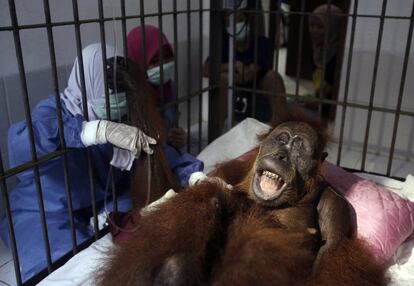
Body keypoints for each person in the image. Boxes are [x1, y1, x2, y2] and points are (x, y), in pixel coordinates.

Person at [0, 42, 200, 282]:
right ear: (89, 85)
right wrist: (90, 131)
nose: (117, 104)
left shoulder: (122, 116)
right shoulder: (53, 113)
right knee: (63, 269)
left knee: (144, 233)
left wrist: (193, 174)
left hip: (103, 198)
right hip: (45, 208)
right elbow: (20, 147)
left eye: (121, 96)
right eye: (110, 94)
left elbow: (162, 154)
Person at [203, 0, 287, 140]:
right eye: (231, 21)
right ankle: (216, 134)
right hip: (232, 85)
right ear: (225, 25)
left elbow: (248, 75)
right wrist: (233, 64)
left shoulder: (261, 43)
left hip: (256, 85)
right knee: (223, 78)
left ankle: (281, 131)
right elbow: (205, 70)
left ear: (247, 21)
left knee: (273, 77)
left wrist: (233, 71)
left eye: (240, 20)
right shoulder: (223, 44)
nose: (236, 25)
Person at [127, 25, 186, 150]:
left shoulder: (170, 87)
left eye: (167, 56)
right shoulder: (127, 98)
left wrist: (177, 138)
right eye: (154, 60)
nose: (163, 65)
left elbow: (172, 127)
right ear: (138, 61)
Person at [308, 4, 343, 121]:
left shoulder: (339, 58)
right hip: (321, 107)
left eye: (320, 27)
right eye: (312, 25)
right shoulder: (318, 50)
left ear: (333, 28)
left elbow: (338, 97)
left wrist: (319, 102)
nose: (314, 30)